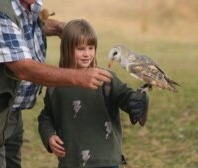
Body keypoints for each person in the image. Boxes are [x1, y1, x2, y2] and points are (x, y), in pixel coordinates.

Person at [0, 0, 112, 168]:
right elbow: (23, 69)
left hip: (9, 112)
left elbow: (20, 23)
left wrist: (56, 27)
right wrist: (79, 76)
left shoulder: (25, 4)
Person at [38, 19, 149, 168]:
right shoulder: (56, 84)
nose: (87, 54)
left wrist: (136, 101)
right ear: (67, 49)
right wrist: (49, 136)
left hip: (106, 160)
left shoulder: (105, 78)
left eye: (91, 48)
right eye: (81, 48)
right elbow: (46, 116)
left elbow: (125, 96)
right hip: (71, 162)